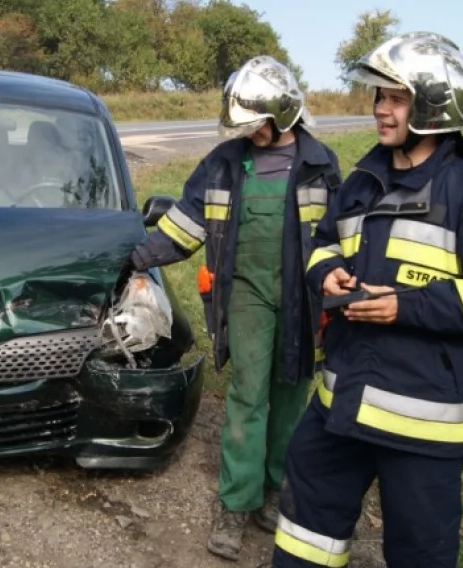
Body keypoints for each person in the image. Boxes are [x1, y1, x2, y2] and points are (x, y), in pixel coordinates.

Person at [269, 32, 463, 567]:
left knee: (420, 554)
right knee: (303, 536)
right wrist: (328, 274)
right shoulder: (363, 181)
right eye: (378, 96)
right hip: (341, 408)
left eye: (395, 99)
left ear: (433, 108)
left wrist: (404, 306)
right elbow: (323, 244)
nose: (379, 109)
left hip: (422, 429)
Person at [129, 55, 342, 561]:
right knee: (248, 395)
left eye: (257, 124)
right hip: (246, 294)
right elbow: (186, 226)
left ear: (283, 114)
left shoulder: (321, 164)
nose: (251, 134)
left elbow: (340, 234)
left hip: (303, 297)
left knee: (291, 392)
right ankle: (236, 504)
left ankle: (275, 489)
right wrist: (135, 257)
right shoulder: (223, 163)